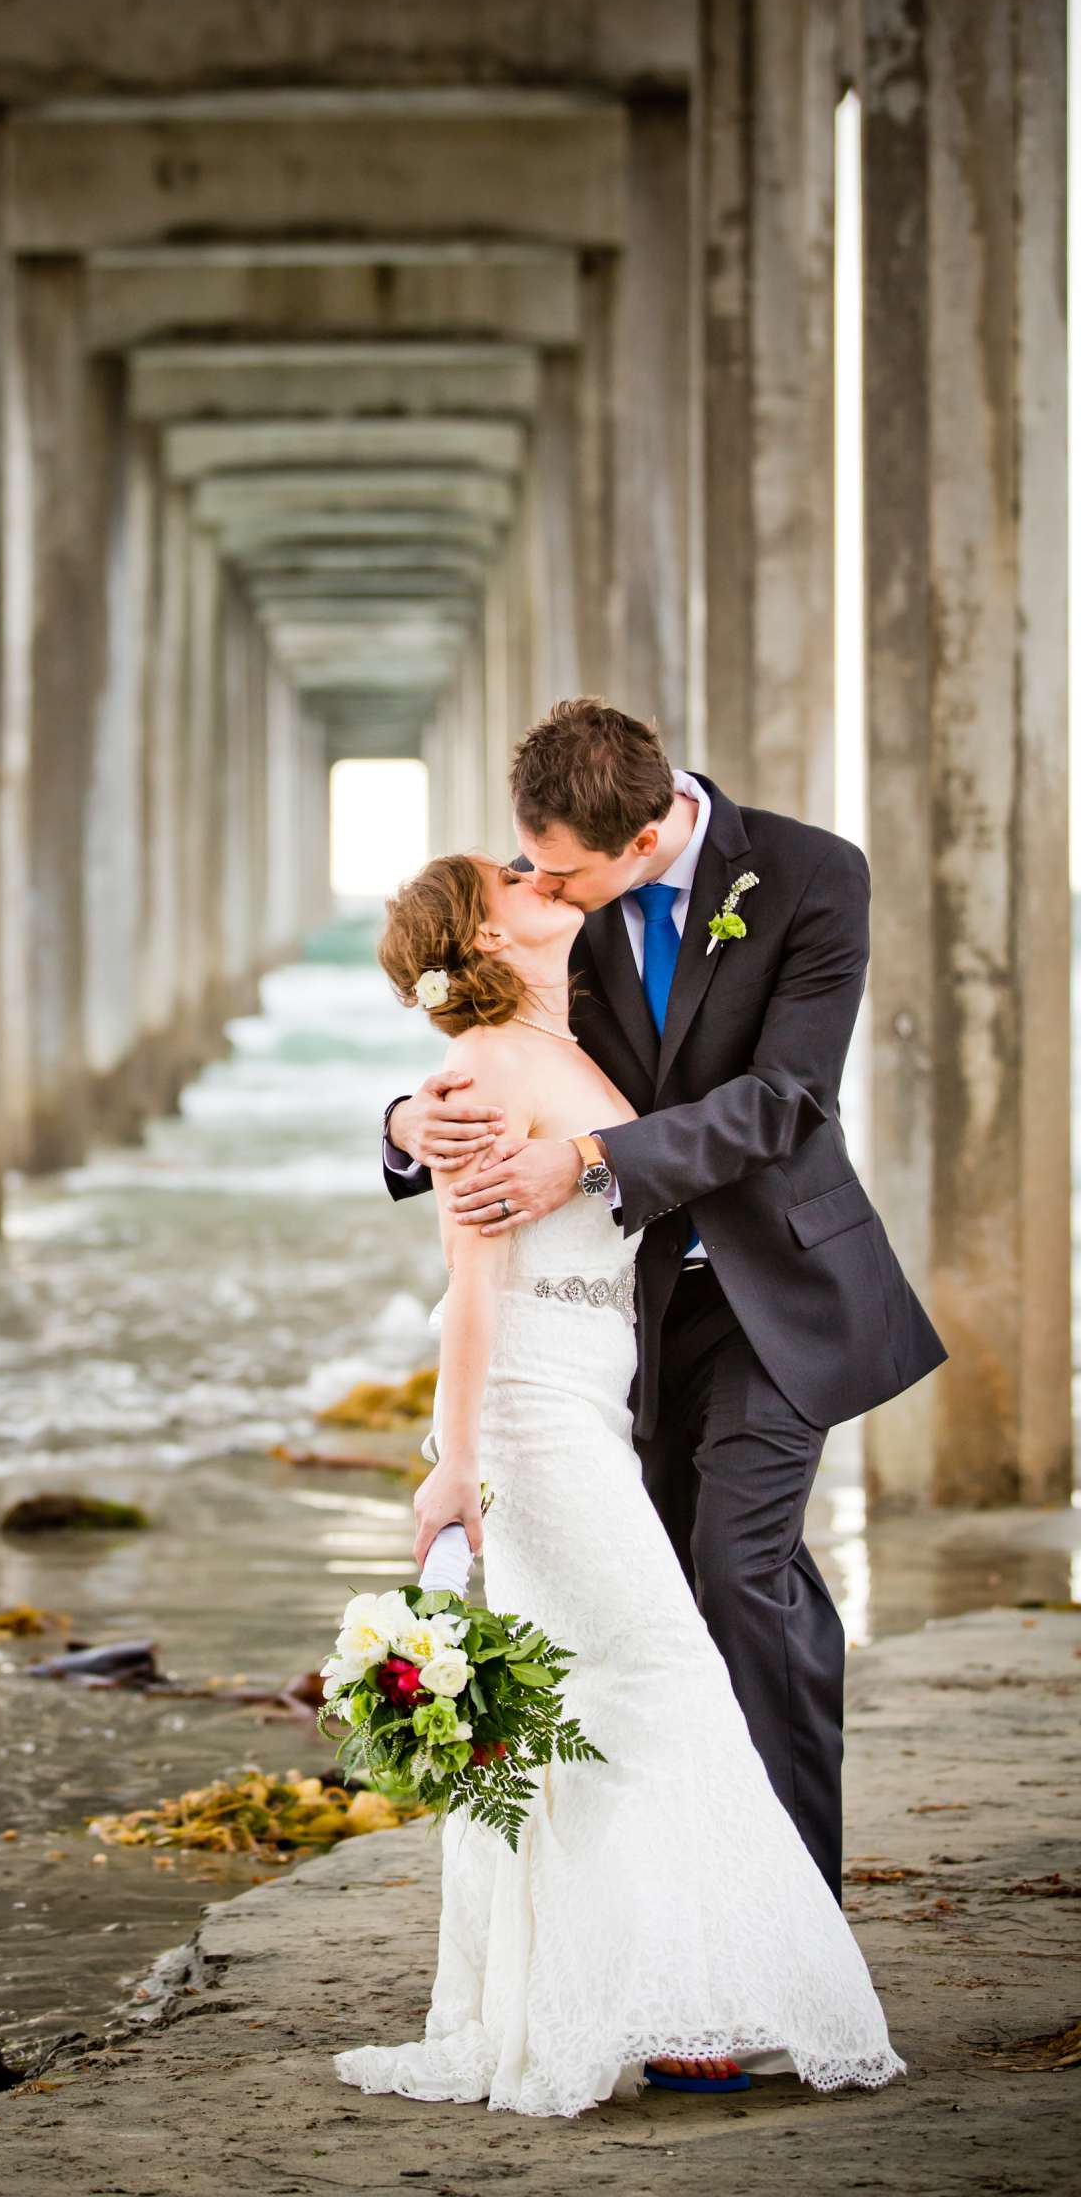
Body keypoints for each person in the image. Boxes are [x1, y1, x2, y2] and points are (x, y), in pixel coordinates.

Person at [333, 850, 905, 2117]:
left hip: (600, 1400)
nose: (542, 871)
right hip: (535, 1419)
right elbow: (471, 1279)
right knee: (657, 1675)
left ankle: (623, 1994)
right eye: (513, 871)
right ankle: (680, 2004)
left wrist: (406, 1110)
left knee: (590, 1703)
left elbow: (730, 1102)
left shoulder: (572, 1016)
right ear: (483, 932)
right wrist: (456, 1460)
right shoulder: (483, 1066)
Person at [381, 700, 945, 1902]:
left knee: (739, 1567)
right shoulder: (548, 908)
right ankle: (702, 1899)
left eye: (563, 871)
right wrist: (401, 1122)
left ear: (643, 840)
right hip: (620, 1322)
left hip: (776, 1288)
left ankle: (794, 1906)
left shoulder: (805, 875)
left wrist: (588, 1163)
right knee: (697, 1595)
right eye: (528, 863)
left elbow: (786, 1097)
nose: (542, 882)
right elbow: (487, 1037)